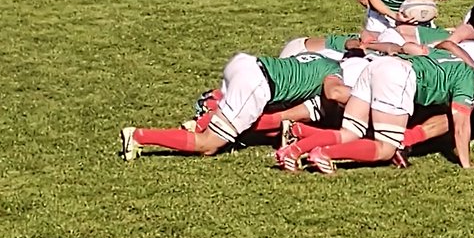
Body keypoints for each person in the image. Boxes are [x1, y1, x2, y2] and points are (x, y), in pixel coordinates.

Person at [279, 52, 474, 173]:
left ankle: (292, 151)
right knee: (387, 148)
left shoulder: (458, 63)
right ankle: (324, 154)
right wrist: (467, 164)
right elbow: (461, 126)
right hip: (398, 76)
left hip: (379, 65)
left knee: (350, 131)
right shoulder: (468, 83)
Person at [119, 51, 346, 160]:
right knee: (208, 145)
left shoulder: (318, 59)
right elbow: (334, 92)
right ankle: (140, 136)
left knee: (237, 118)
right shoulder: (335, 72)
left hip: (246, 63)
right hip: (256, 83)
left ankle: (202, 122)